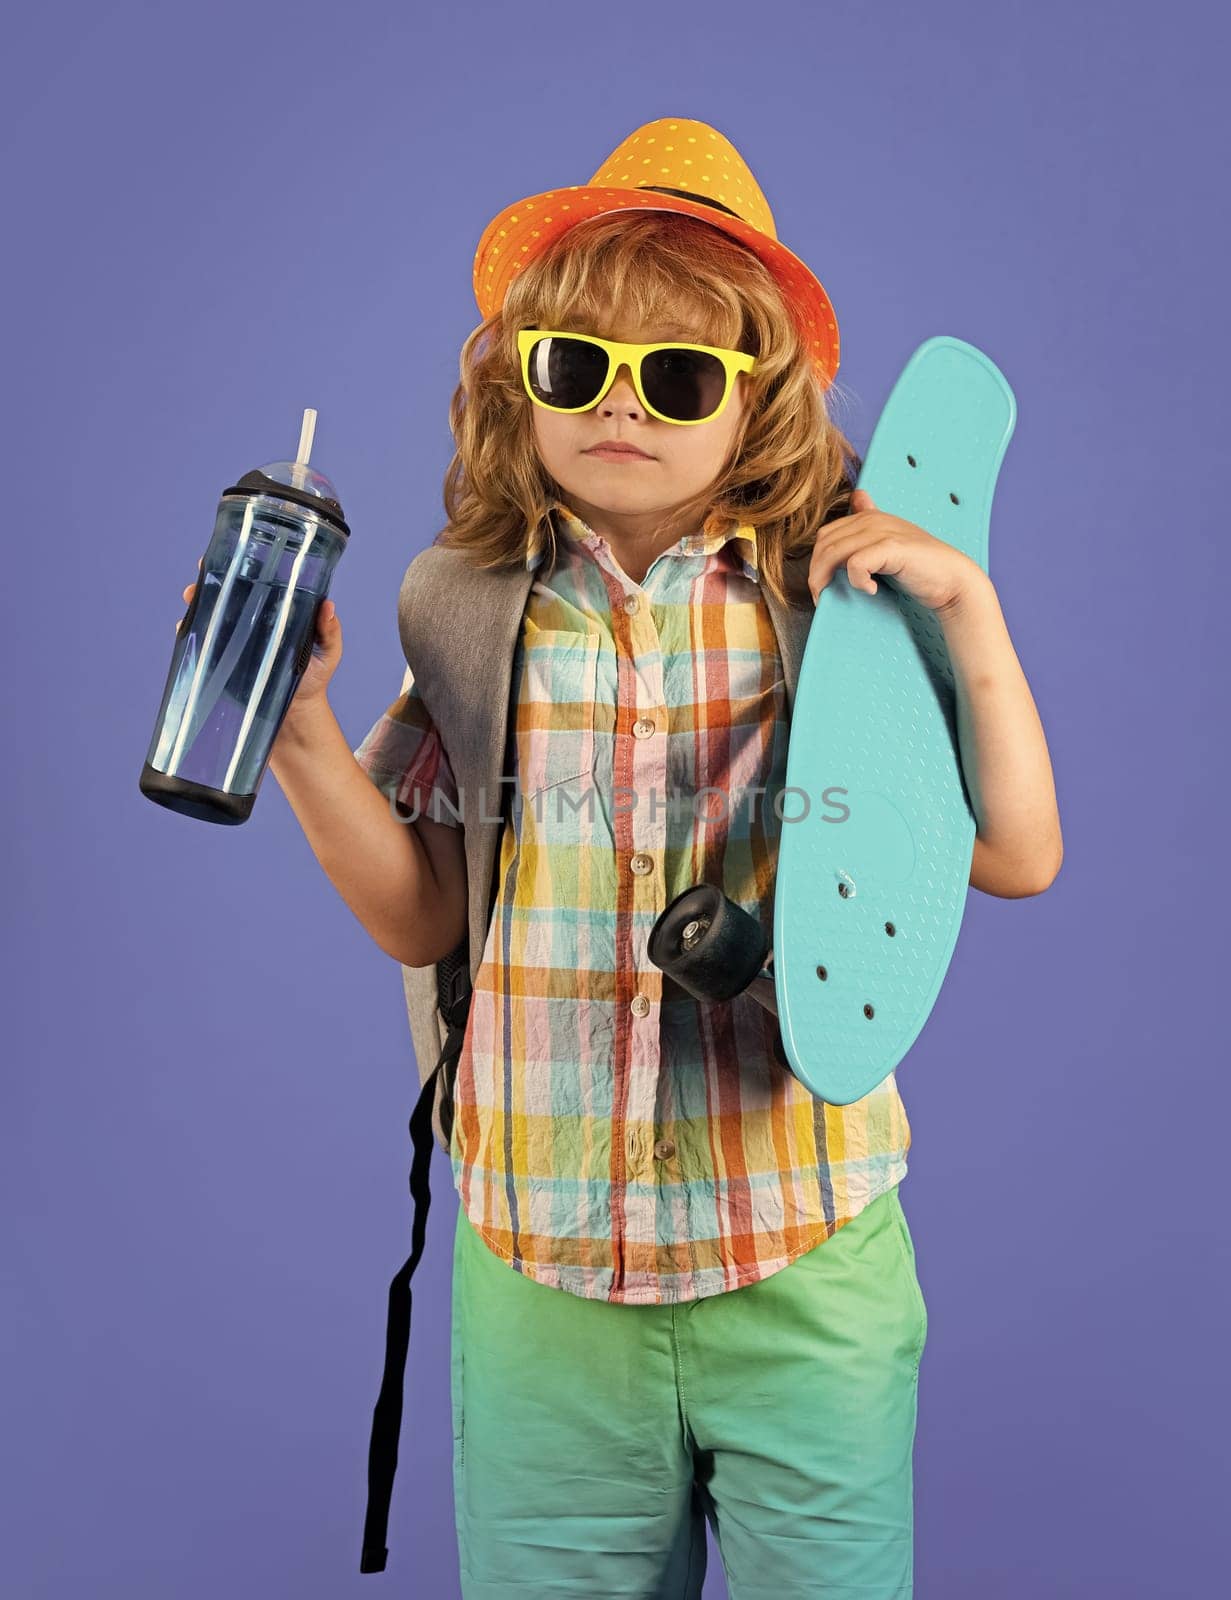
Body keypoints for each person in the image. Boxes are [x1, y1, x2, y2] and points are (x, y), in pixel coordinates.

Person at [180, 116, 1063, 1600]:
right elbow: (423, 914)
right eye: (577, 367)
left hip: (802, 1251)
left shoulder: (840, 595)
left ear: (757, 395)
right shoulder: (465, 607)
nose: (621, 410)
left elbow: (1019, 856)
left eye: (675, 377)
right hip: (542, 1279)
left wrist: (966, 608)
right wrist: (304, 735)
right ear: (518, 381)